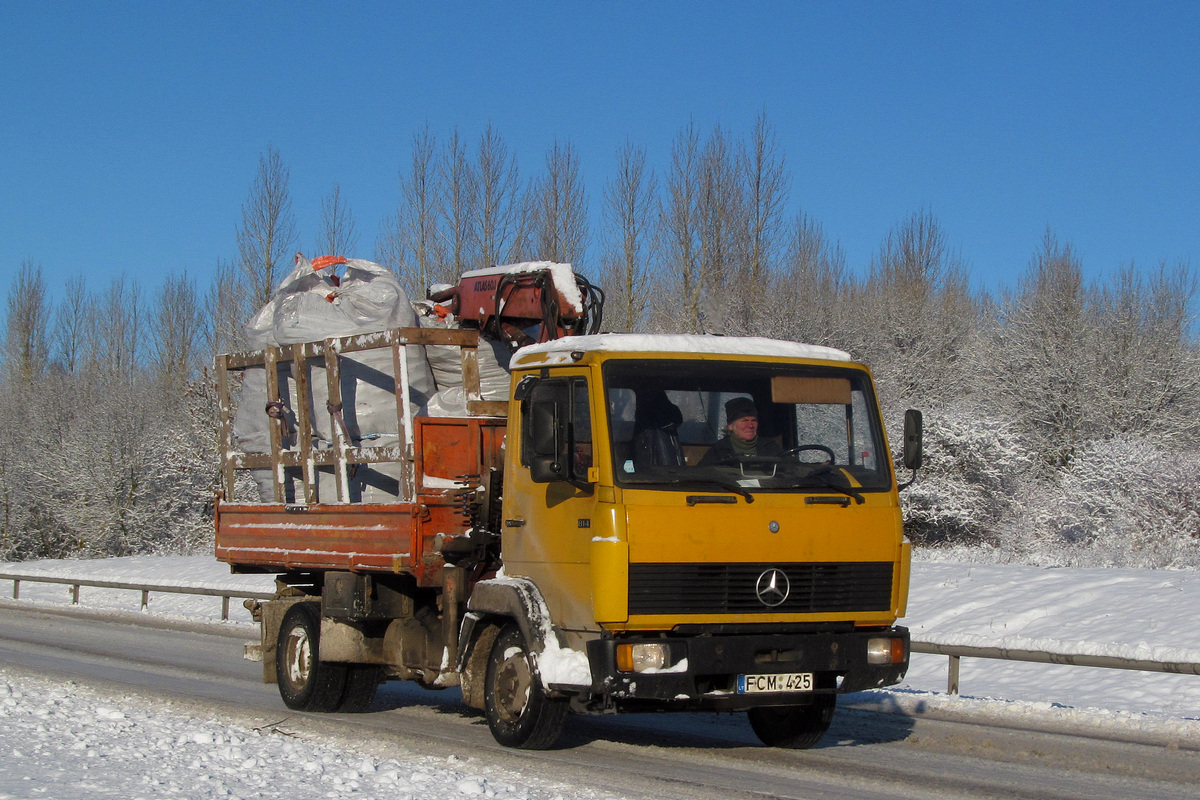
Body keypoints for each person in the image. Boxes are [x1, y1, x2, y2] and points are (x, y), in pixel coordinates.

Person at [698, 397, 782, 465]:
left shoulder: (770, 447)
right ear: (731, 426)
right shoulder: (719, 450)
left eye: (754, 420)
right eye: (744, 420)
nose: (750, 425)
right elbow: (703, 474)